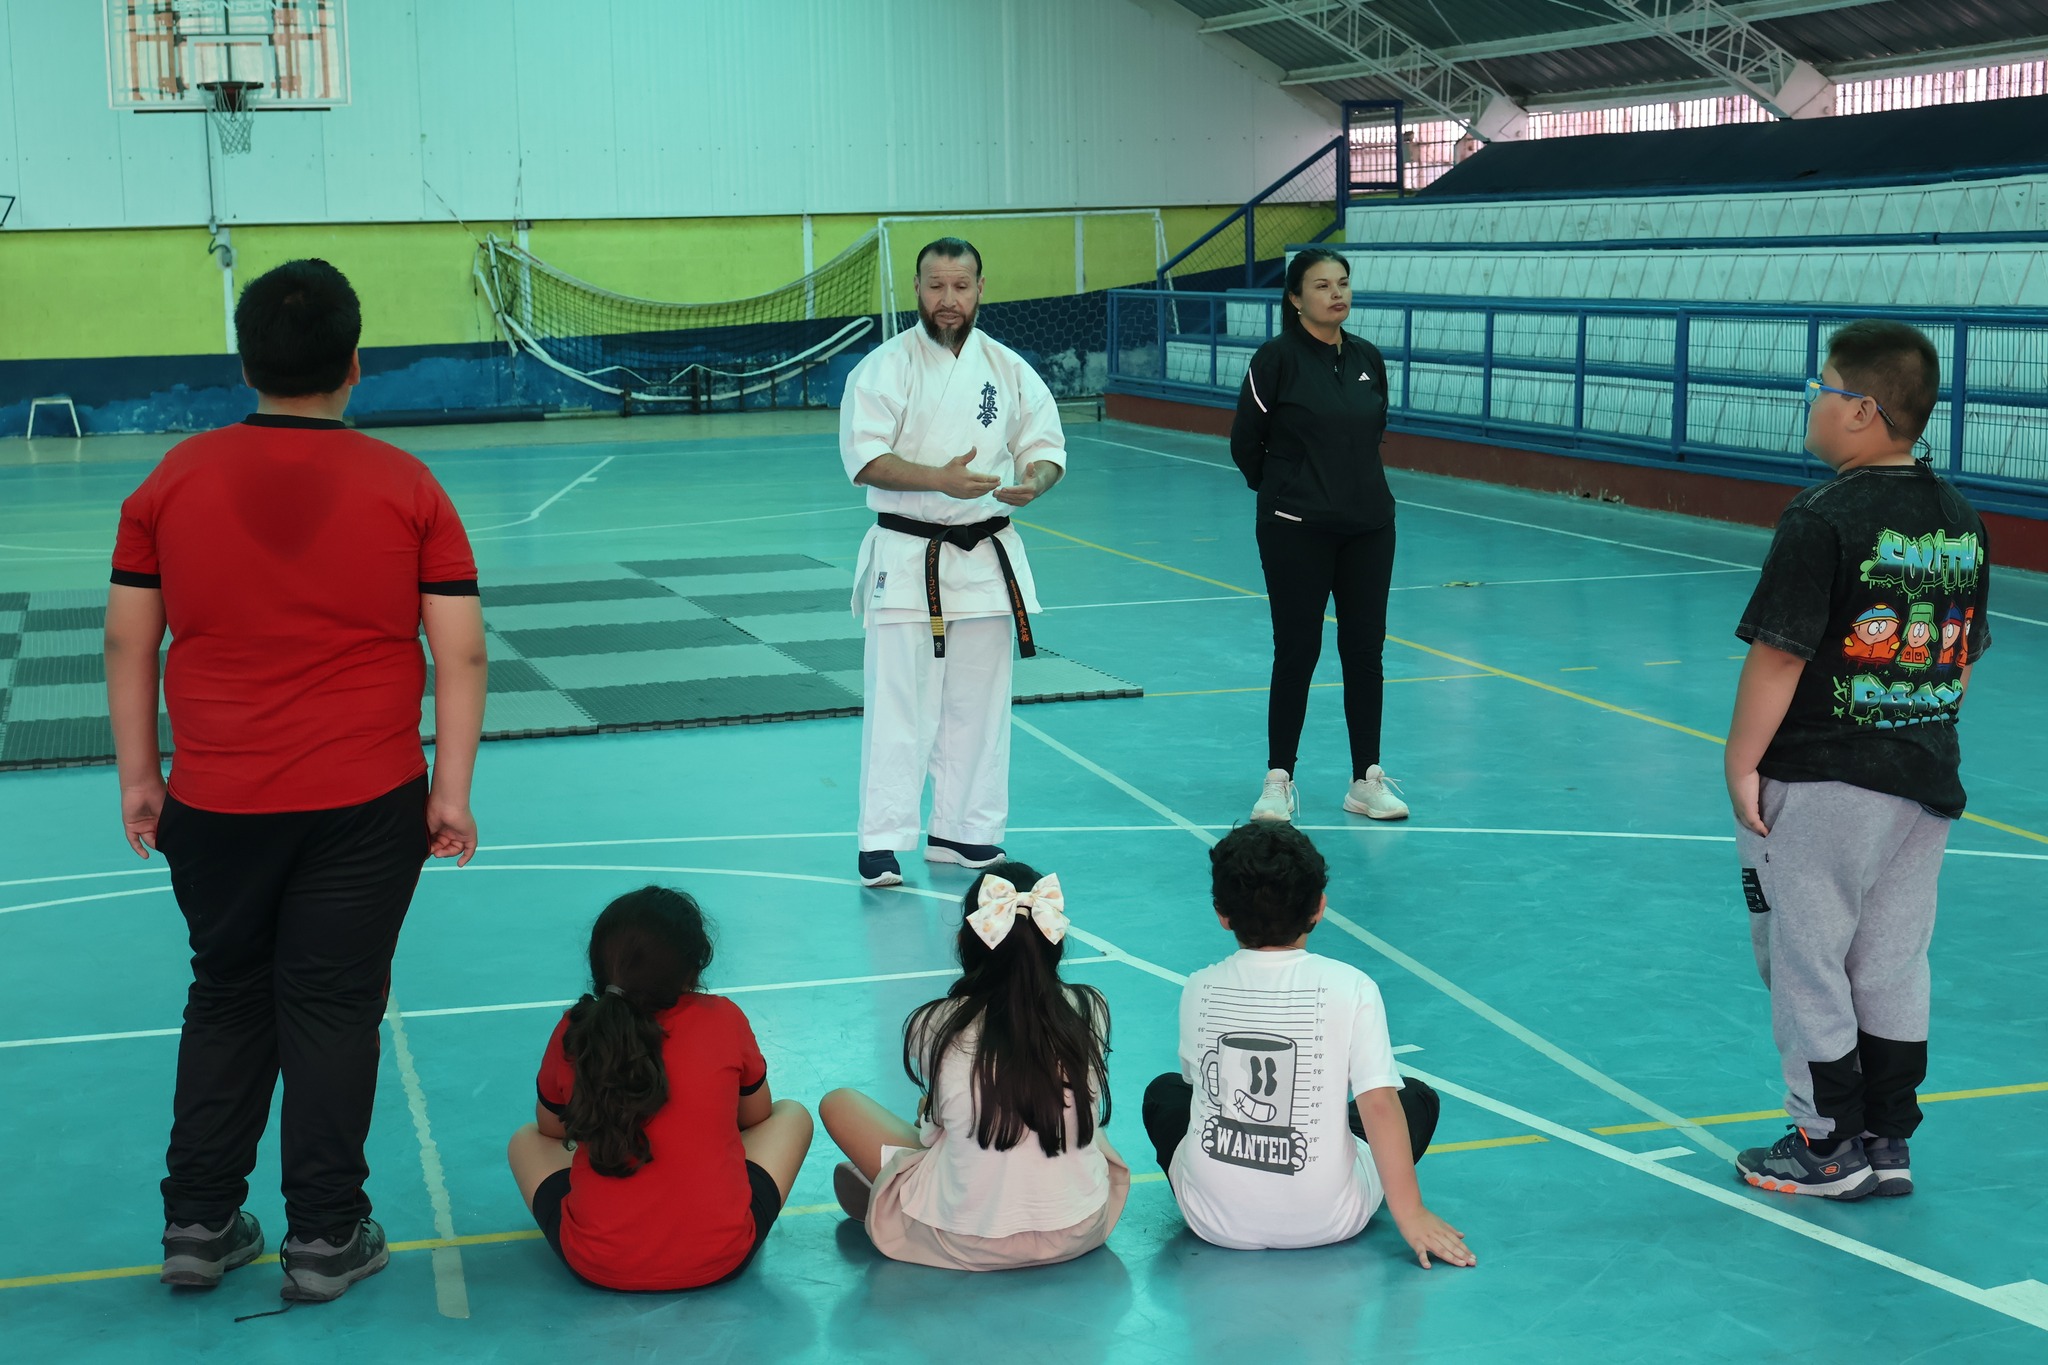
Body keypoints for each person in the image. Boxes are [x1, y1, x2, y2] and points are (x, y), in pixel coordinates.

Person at [105, 259, 487, 1302]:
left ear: (246, 362)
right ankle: (325, 1237)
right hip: (363, 802)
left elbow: (125, 643)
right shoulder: (409, 487)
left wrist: (144, 777)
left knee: (227, 993)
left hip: (215, 800)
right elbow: (459, 655)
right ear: (355, 364)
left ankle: (197, 1222)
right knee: (330, 1005)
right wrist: (447, 790)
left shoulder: (169, 482)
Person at [1726, 320, 1991, 1200]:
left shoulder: (1822, 516)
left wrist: (1740, 762)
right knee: (1890, 959)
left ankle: (1825, 1139)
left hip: (1824, 777)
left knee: (1806, 954)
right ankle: (1885, 1135)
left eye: (1825, 389)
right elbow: (1963, 647)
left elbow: (1779, 652)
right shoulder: (1961, 519)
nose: (1814, 402)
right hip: (1924, 779)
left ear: (1865, 410)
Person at [838, 238, 1067, 887]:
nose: (948, 300)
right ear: (916, 289)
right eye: (935, 286)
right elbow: (865, 458)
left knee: (980, 705)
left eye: (960, 286)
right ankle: (882, 838)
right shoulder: (884, 367)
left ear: (980, 288)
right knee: (899, 705)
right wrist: (936, 478)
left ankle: (964, 831)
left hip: (986, 555)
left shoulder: (1008, 368)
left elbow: (1045, 443)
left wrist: (1036, 480)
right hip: (910, 555)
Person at [1142, 824, 1473, 1267]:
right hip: (1332, 1219)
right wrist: (1410, 1213)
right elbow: (1378, 1105)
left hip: (1210, 1219)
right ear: (1319, 908)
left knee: (1165, 1092)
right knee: (1414, 1099)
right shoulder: (1351, 986)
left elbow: (1200, 1087)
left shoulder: (1199, 987)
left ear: (1222, 913)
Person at [818, 863, 1129, 1270]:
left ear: (968, 940)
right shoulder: (1091, 1007)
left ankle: (891, 1196)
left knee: (839, 1102)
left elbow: (934, 1132)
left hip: (964, 1240)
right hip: (1080, 1229)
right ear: (1053, 938)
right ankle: (888, 1192)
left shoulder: (936, 1023)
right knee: (1077, 1123)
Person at [507, 886, 814, 1290]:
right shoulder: (723, 1018)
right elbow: (756, 1117)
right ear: (695, 965)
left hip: (596, 1261)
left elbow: (551, 1129)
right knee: (793, 1114)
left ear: (600, 964)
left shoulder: (576, 1028)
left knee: (525, 1139)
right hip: (721, 1257)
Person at [1230, 247, 1408, 826]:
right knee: (1298, 650)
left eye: (1343, 283)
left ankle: (1366, 779)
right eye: (1322, 285)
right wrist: (1288, 493)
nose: (1337, 294)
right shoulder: (1275, 360)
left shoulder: (1367, 359)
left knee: (1365, 653)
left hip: (1369, 530)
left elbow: (1374, 430)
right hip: (1295, 532)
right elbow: (1245, 444)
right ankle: (1278, 779)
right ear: (1295, 298)